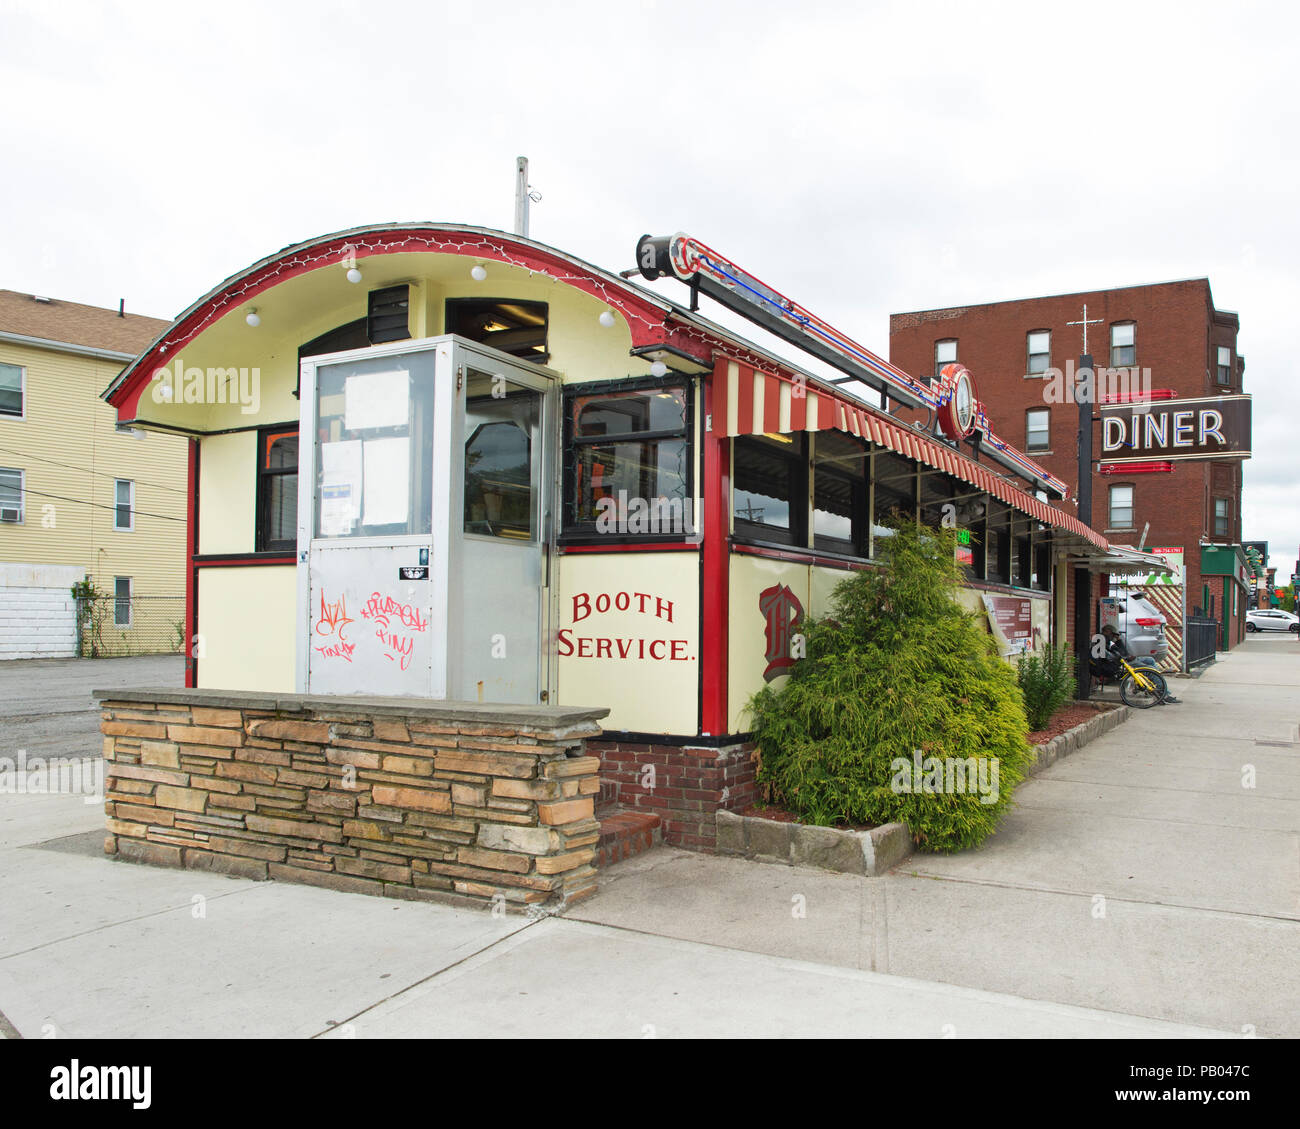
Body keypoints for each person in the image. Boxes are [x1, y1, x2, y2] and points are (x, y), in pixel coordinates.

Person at [1101, 624, 1180, 705]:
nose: (1114, 636)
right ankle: (1164, 694)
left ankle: (1156, 684)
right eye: (1113, 634)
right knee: (1151, 670)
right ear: (1108, 632)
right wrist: (1126, 656)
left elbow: (1123, 651)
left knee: (1150, 660)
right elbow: (1117, 655)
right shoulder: (1104, 641)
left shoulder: (1111, 641)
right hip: (1126, 662)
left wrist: (1118, 641)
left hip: (1128, 658)